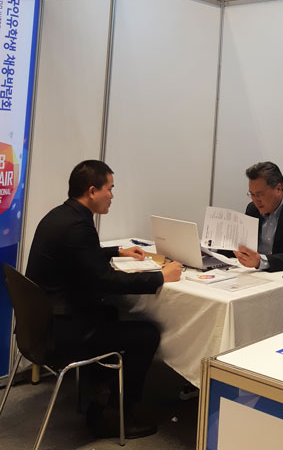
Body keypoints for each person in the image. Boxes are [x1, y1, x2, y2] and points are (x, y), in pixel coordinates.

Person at [25, 160, 183, 439]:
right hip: (61, 333)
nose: (112, 195)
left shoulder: (61, 215)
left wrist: (116, 251)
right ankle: (118, 415)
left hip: (39, 327)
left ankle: (97, 400)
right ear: (92, 191)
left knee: (109, 312)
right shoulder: (79, 225)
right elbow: (105, 280)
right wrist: (161, 277)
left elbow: (81, 255)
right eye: (109, 188)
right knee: (146, 334)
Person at [233, 161, 283, 272]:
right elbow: (242, 245)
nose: (256, 200)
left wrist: (261, 261)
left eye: (260, 194)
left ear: (278, 189)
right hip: (254, 272)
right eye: (251, 194)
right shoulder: (252, 209)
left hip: (281, 275)